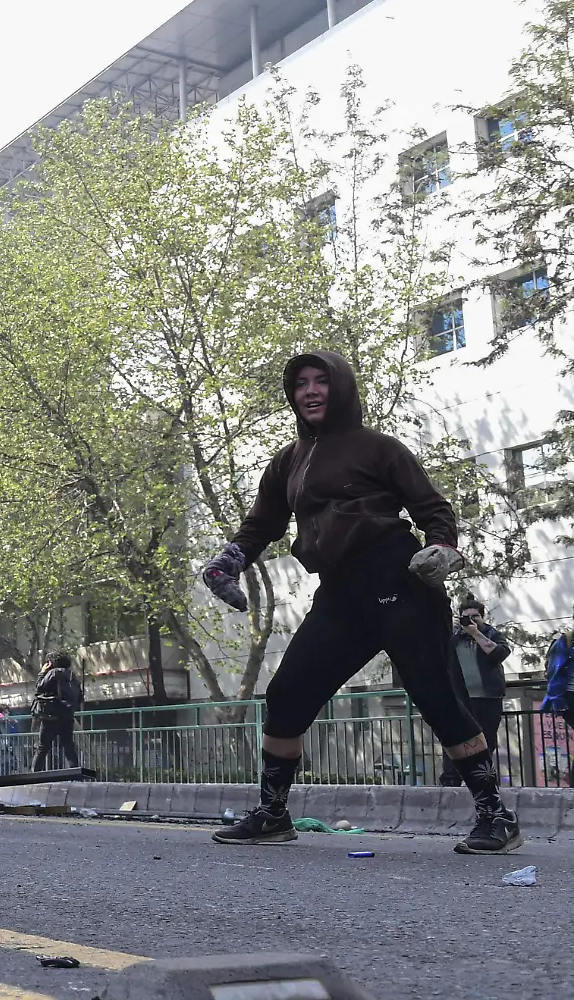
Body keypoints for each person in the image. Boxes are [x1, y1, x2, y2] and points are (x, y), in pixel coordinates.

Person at [202, 351, 520, 854]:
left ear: (341, 388)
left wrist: (443, 547)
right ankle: (273, 813)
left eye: (320, 381)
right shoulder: (287, 462)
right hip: (340, 591)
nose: (309, 391)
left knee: (438, 697)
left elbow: (434, 509)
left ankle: (495, 816)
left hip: (398, 577)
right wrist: (227, 563)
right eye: (300, 383)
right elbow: (261, 523)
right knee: (286, 695)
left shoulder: (379, 448)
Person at [440, 599, 512, 787]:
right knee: (454, 738)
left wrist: (476, 633)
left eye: (475, 617)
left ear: (483, 617)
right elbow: (437, 654)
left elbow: (500, 654)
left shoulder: (492, 634)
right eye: (466, 618)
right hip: (461, 698)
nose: (471, 621)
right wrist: (448, 628)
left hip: (488, 697)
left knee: (486, 740)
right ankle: (450, 780)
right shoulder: (454, 638)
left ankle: (484, 781)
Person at [31, 655, 82, 772]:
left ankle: (34, 774)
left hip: (51, 716)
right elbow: (79, 696)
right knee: (69, 746)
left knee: (42, 747)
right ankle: (75, 773)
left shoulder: (53, 673)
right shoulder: (72, 676)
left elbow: (39, 687)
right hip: (68, 716)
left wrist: (42, 673)